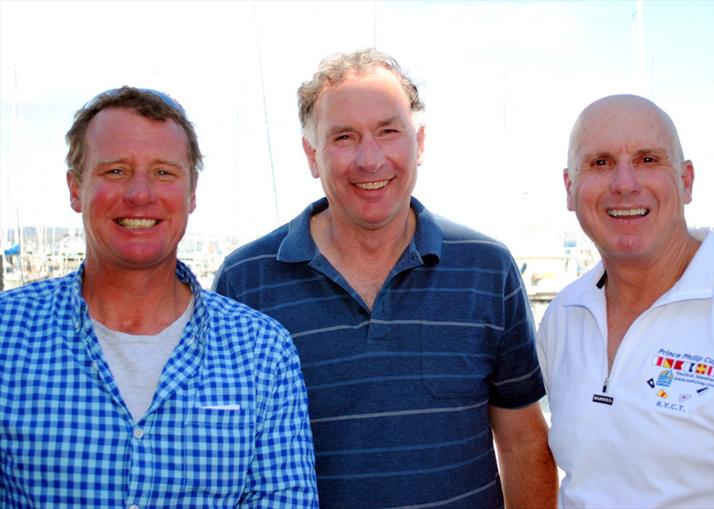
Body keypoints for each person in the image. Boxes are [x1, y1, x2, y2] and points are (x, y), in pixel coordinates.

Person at [214, 49, 557, 508]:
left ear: (419, 142)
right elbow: (228, 459)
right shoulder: (247, 281)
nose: (370, 159)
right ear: (311, 155)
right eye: (344, 137)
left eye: (388, 132)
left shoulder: (487, 268)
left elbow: (522, 442)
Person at [0, 86, 318, 508]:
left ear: (192, 193)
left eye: (164, 172)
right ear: (75, 188)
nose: (139, 193)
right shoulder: (7, 336)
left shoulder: (262, 352)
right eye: (115, 171)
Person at [537, 94, 714, 508]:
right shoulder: (563, 318)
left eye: (648, 159)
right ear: (570, 188)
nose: (625, 183)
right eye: (600, 162)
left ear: (687, 180)